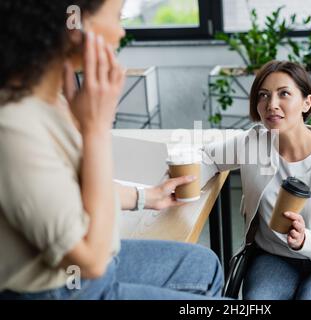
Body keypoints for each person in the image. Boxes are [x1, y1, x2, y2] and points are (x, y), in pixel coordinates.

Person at [0, 0, 223, 300]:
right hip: (63, 288)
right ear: (74, 26)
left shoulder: (52, 99)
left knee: (203, 265)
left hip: (90, 269)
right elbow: (90, 259)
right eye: (117, 17)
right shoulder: (14, 128)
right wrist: (97, 130)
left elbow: (71, 188)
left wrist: (147, 196)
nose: (120, 32)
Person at [203, 60, 311, 300]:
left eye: (284, 94)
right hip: (275, 255)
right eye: (263, 95)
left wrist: (304, 239)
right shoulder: (254, 143)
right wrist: (179, 184)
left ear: (306, 102)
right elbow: (208, 157)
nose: (272, 105)